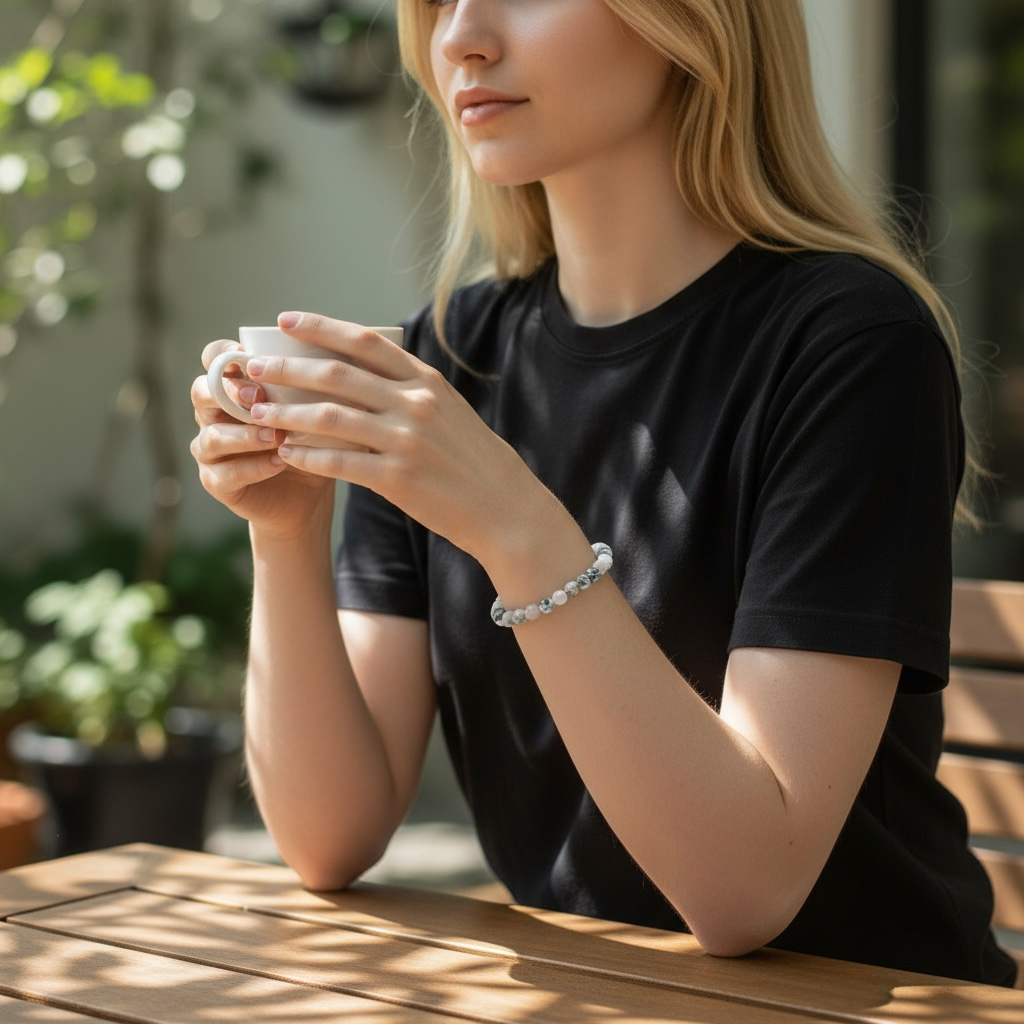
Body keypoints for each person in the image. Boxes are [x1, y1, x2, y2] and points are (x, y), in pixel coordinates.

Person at [190, 0, 1017, 986]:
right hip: (592, 993)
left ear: (695, 23)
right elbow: (329, 836)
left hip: (855, 999)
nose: (460, 38)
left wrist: (514, 522)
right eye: (439, 2)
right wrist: (285, 535)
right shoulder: (448, 358)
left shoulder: (849, 345)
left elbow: (744, 890)